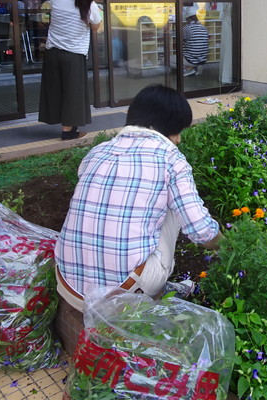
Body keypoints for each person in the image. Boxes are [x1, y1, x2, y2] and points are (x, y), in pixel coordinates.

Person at [54, 85, 223, 351]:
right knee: (174, 208)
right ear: (167, 126)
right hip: (122, 295)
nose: (178, 139)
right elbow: (201, 231)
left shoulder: (97, 152)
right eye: (178, 130)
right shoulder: (169, 158)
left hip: (69, 288)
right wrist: (228, 247)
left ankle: (154, 284)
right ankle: (152, 300)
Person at [38, 0, 102, 140]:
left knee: (56, 90)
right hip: (73, 55)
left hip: (52, 53)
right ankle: (68, 132)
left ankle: (66, 126)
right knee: (72, 93)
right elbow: (96, 27)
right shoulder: (90, 6)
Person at [182, 6, 209, 76]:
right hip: (203, 59)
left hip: (190, 59)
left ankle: (188, 69)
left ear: (189, 18)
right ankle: (196, 67)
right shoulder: (203, 27)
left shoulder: (187, 27)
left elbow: (181, 40)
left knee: (166, 60)